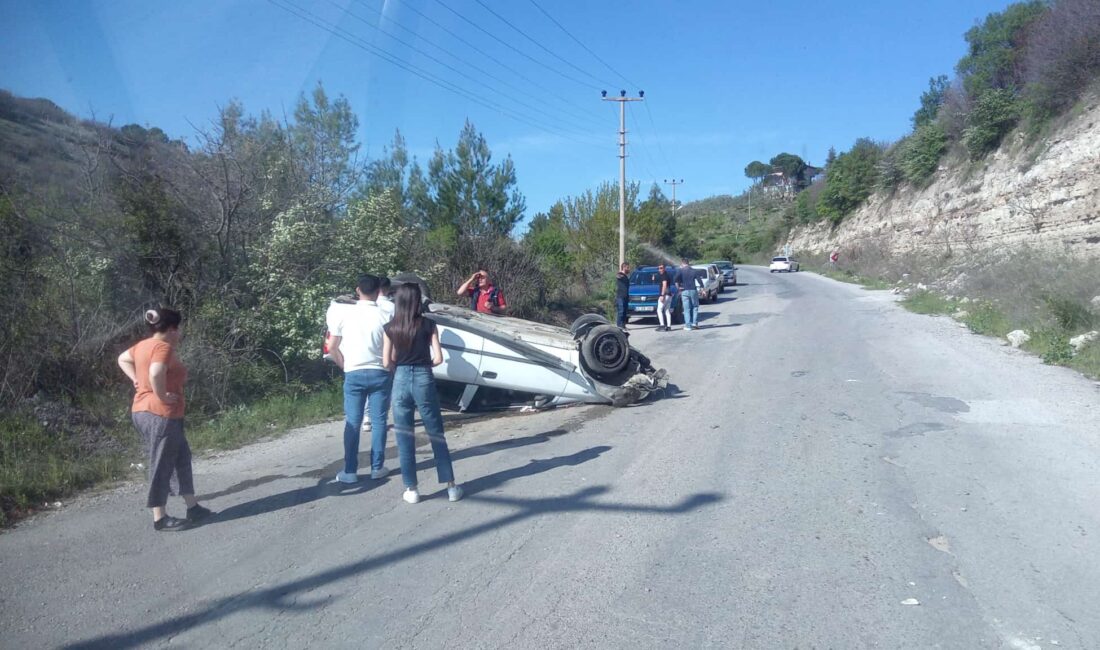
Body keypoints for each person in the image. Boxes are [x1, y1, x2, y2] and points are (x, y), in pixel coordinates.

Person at [117, 307, 212, 531]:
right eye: (178, 330)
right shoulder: (162, 347)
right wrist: (160, 394)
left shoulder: (142, 346)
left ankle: (193, 507)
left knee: (181, 458)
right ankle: (160, 518)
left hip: (146, 412)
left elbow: (122, 359)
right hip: (160, 413)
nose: (179, 334)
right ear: (171, 329)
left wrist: (135, 381)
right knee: (161, 463)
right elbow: (156, 372)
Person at [383, 283, 463, 504]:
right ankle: (451, 487)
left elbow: (385, 361)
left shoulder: (390, 327)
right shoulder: (429, 325)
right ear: (418, 300)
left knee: (404, 435)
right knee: (436, 432)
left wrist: (400, 366)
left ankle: (412, 488)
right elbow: (438, 358)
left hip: (400, 379)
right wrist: (423, 364)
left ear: (398, 302)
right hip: (423, 377)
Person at [327, 274, 394, 484]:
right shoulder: (386, 316)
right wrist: (390, 369)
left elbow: (332, 347)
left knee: (353, 422)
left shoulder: (344, 314)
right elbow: (391, 350)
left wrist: (344, 365)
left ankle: (350, 470)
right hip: (379, 372)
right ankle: (377, 467)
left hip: (353, 372)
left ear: (358, 290)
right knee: (379, 421)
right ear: (378, 292)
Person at [675, 259, 700, 331]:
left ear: (682, 263)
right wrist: (702, 288)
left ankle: (688, 326)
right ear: (688, 263)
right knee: (695, 306)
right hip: (693, 290)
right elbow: (699, 280)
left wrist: (679, 288)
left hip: (684, 291)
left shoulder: (680, 271)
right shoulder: (694, 270)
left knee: (686, 309)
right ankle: (694, 323)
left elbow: (675, 279)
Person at [655, 263, 674, 332]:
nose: (659, 269)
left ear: (664, 268)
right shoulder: (666, 275)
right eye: (659, 268)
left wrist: (662, 295)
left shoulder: (664, 276)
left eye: (661, 268)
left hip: (665, 295)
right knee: (667, 311)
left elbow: (664, 285)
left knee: (659, 310)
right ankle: (669, 326)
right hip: (669, 295)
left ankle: (662, 325)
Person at [615, 262, 631, 329]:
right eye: (627, 267)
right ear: (624, 267)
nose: (629, 269)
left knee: (624, 311)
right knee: (621, 311)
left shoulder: (626, 276)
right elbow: (617, 276)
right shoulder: (620, 274)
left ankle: (623, 325)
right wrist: (619, 274)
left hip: (626, 296)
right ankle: (619, 326)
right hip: (620, 296)